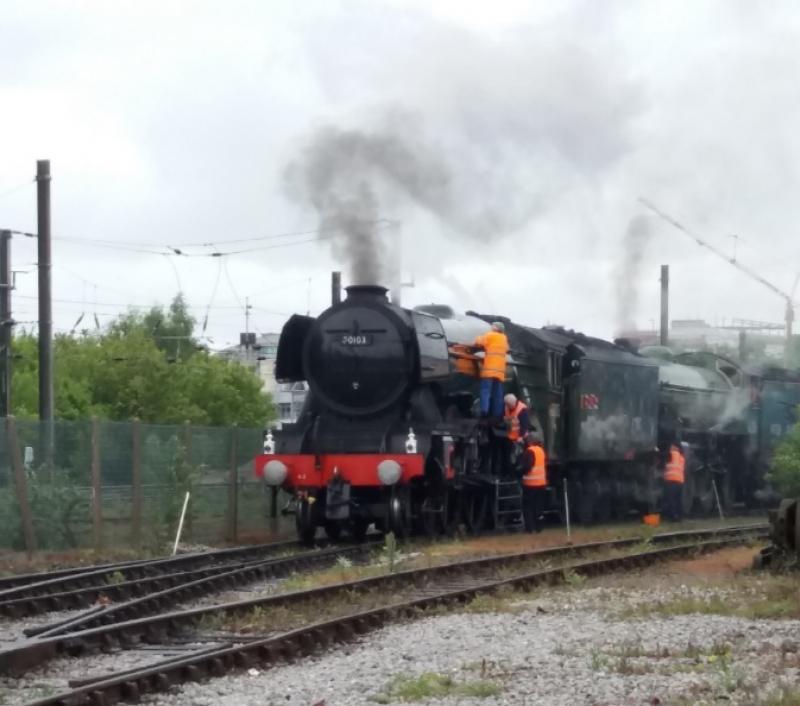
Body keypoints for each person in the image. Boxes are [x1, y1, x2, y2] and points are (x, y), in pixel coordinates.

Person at [474, 322, 509, 418]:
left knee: (485, 391)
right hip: (500, 371)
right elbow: (507, 348)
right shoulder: (504, 338)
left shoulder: (490, 335)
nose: (491, 327)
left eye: (493, 325)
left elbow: (479, 342)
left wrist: (477, 338)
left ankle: (484, 411)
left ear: (496, 328)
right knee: (498, 394)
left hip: (489, 369)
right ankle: (497, 415)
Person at [518, 432, 547, 533]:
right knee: (538, 506)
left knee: (528, 507)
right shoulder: (541, 451)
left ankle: (529, 528)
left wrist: (519, 472)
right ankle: (539, 527)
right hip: (541, 483)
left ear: (530, 441)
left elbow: (527, 466)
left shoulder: (529, 451)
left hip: (530, 484)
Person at [663, 443, 686, 521]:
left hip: (671, 479)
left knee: (671, 499)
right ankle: (680, 516)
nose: (670, 448)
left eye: (671, 447)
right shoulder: (681, 457)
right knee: (678, 499)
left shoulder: (671, 454)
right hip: (679, 480)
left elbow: (663, 457)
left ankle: (673, 517)